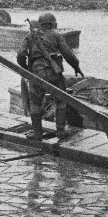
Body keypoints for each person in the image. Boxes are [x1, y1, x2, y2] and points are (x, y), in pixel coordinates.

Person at [18, 12, 83, 141]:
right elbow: (68, 54)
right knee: (60, 100)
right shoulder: (56, 35)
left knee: (36, 102)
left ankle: (37, 133)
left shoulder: (30, 35)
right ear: (51, 24)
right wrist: (76, 67)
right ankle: (60, 131)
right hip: (55, 73)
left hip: (37, 73)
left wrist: (27, 70)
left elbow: (20, 55)